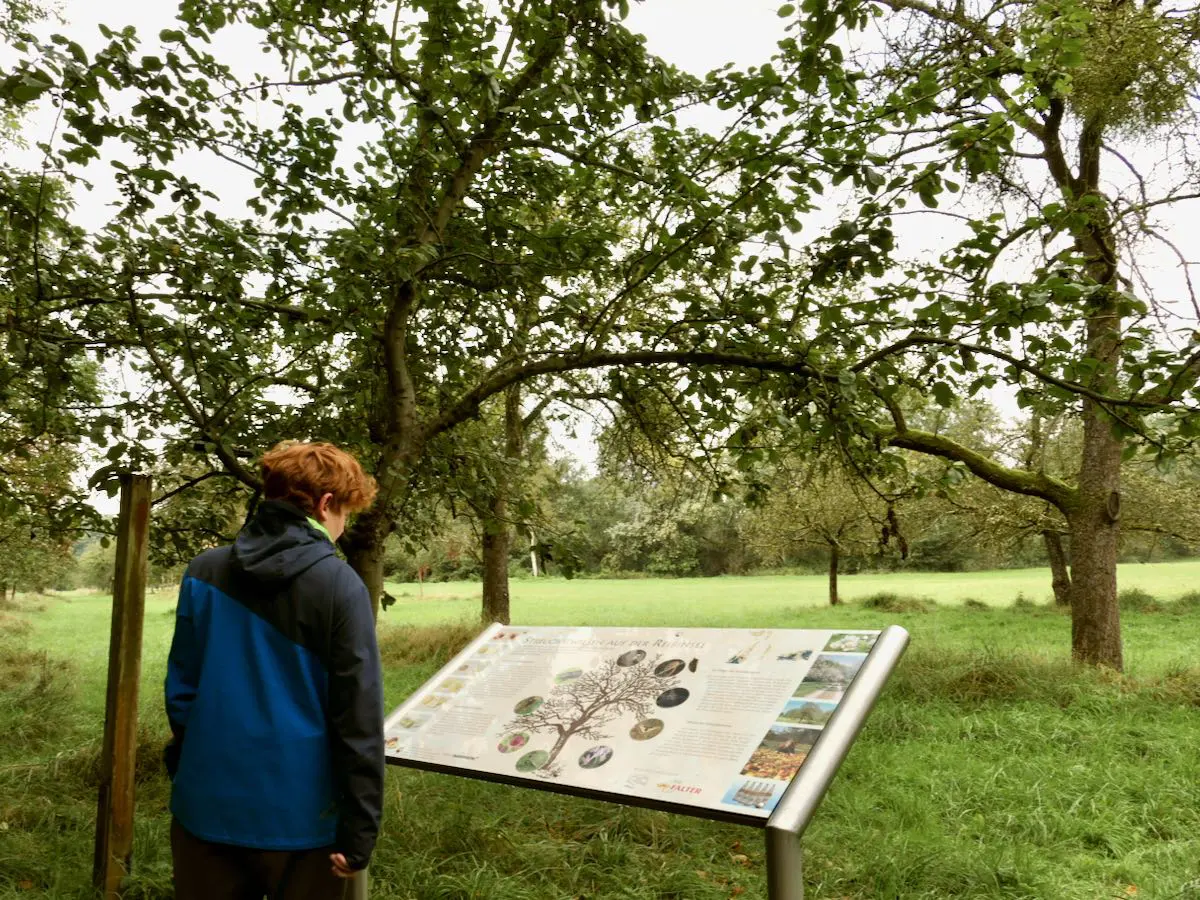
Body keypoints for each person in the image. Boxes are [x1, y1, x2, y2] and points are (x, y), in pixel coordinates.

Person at [164, 441, 384, 899]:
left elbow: (181, 693)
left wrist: (191, 768)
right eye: (345, 512)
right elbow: (357, 719)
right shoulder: (340, 585)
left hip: (204, 808)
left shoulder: (202, 572)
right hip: (302, 822)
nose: (344, 526)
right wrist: (360, 829)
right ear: (326, 506)